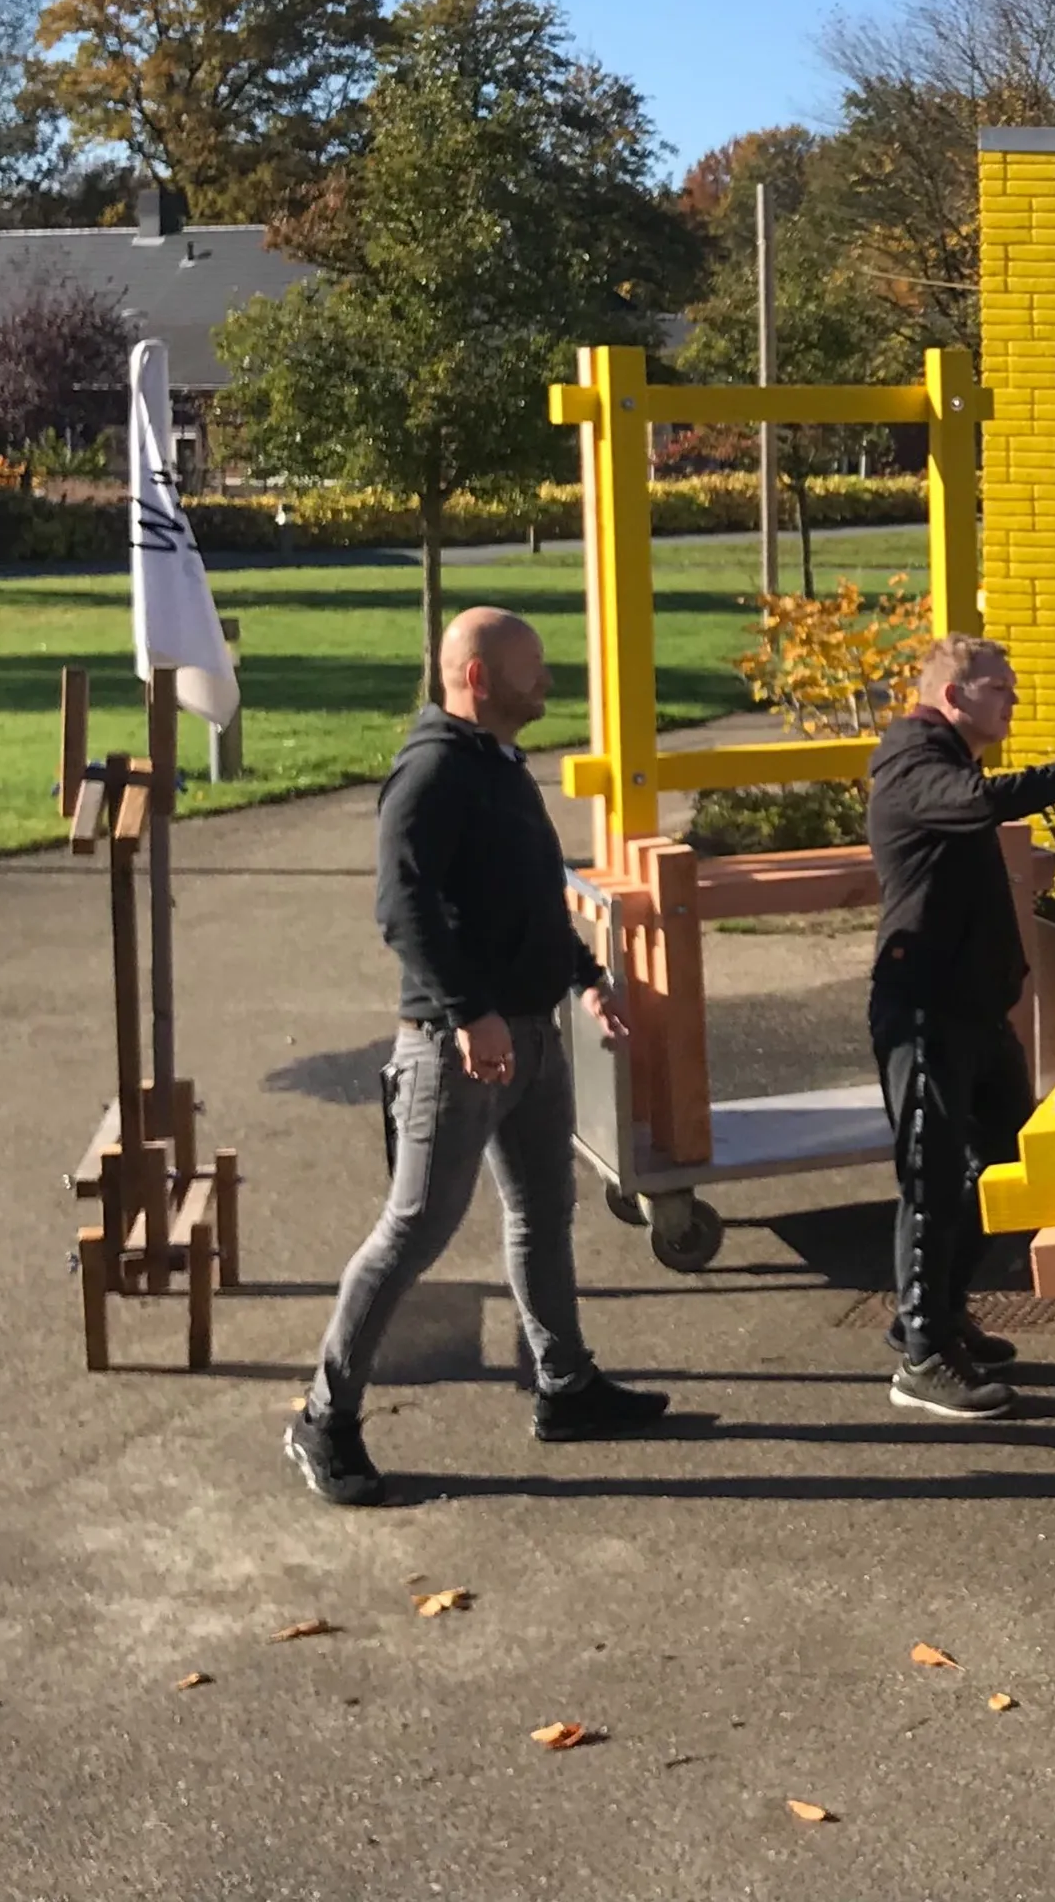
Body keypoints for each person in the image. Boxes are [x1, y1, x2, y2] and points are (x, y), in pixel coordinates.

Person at [286, 608, 670, 1508]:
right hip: (455, 1050)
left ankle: (565, 1387)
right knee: (414, 1228)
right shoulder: (431, 774)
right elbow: (402, 909)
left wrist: (583, 979)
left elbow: (535, 892)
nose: (549, 681)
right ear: (478, 681)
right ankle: (322, 1418)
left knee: (542, 1209)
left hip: (530, 1036)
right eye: (532, 669)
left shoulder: (498, 765)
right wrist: (471, 1014)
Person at [866, 635, 1055, 1420]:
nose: (1013, 701)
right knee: (930, 1177)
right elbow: (977, 804)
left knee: (995, 1167)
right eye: (1001, 688)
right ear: (953, 695)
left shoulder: (943, 758)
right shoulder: (912, 760)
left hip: (975, 1011)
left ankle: (936, 1315)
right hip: (925, 1010)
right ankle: (921, 1358)